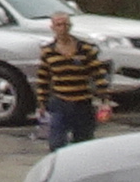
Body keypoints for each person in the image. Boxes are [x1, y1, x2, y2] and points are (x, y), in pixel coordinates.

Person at [35, 9, 111, 150]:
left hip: (82, 103)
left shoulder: (85, 49)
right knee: (56, 143)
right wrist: (41, 103)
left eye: (66, 24)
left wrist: (104, 101)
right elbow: (43, 79)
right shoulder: (48, 51)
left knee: (83, 145)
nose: (63, 28)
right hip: (60, 103)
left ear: (70, 26)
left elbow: (98, 75)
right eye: (59, 25)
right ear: (52, 27)